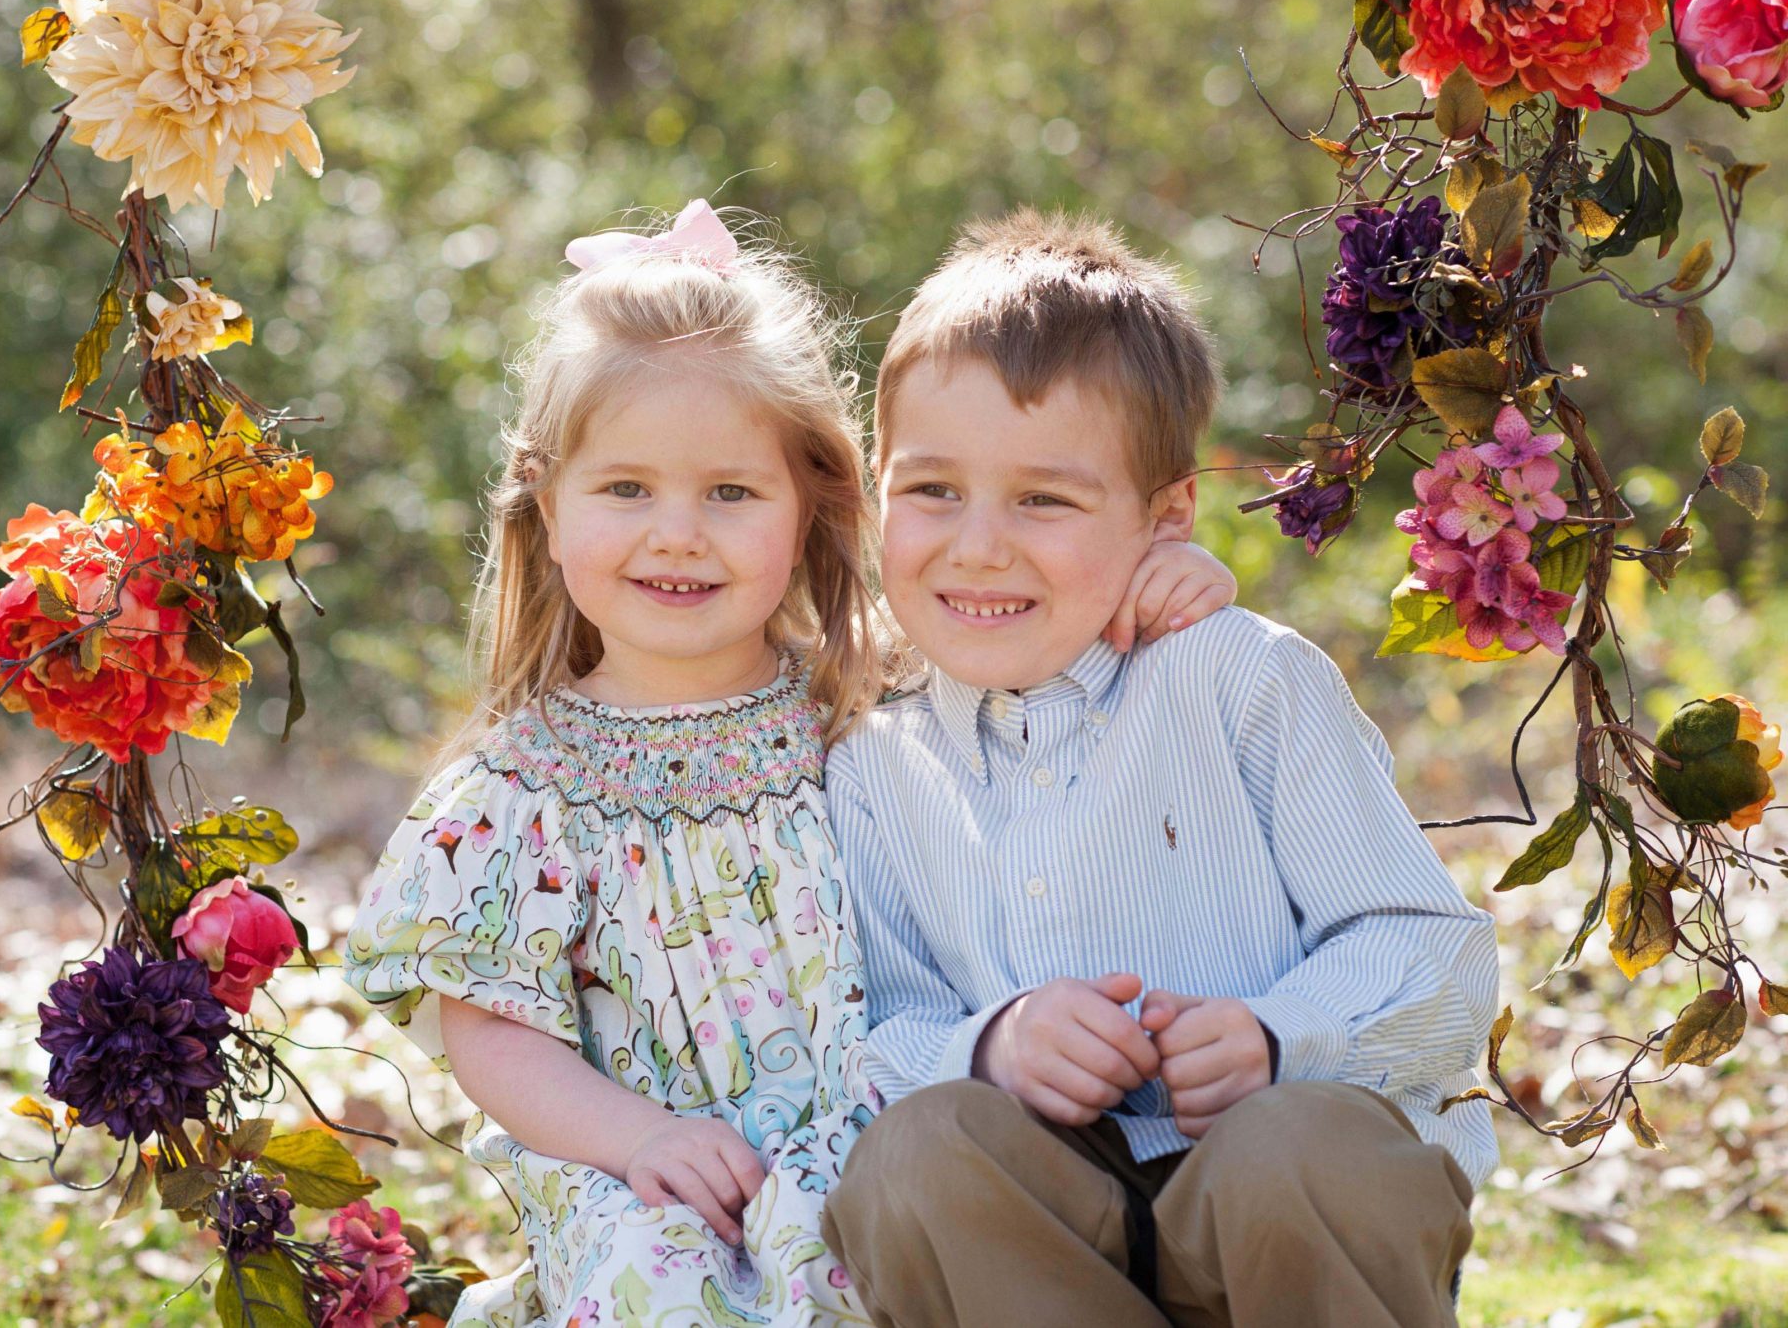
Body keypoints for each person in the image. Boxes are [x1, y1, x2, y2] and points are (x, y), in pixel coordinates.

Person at [341, 199, 1242, 1327]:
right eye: (626, 489)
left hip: (889, 1133)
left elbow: (1044, 638)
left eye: (729, 491)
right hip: (655, 1174)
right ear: (546, 501)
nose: (677, 532)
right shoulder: (521, 787)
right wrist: (642, 1142)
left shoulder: (876, 697)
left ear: (810, 499)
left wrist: (1162, 578)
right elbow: (491, 1033)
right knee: (656, 1283)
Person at [819, 208, 1500, 1328]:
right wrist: (986, 1045)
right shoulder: (868, 751)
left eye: (1043, 498)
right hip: (1035, 1242)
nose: (977, 544)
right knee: (917, 1150)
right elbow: (870, 1029)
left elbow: (1430, 952)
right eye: (932, 490)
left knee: (1297, 1142)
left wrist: (1282, 1035)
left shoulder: (1239, 680)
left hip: (1277, 1215)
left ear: (1165, 515)